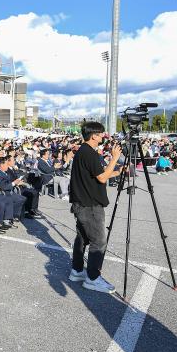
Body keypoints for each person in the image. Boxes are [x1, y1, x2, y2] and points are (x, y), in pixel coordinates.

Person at [68, 121, 122, 293]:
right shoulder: (89, 153)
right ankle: (92, 279)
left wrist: (117, 172)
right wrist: (114, 158)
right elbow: (102, 178)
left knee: (82, 239)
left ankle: (77, 270)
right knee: (98, 241)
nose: (103, 136)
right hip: (89, 205)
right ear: (93, 136)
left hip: (82, 203)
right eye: (101, 134)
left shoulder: (83, 151)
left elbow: (97, 175)